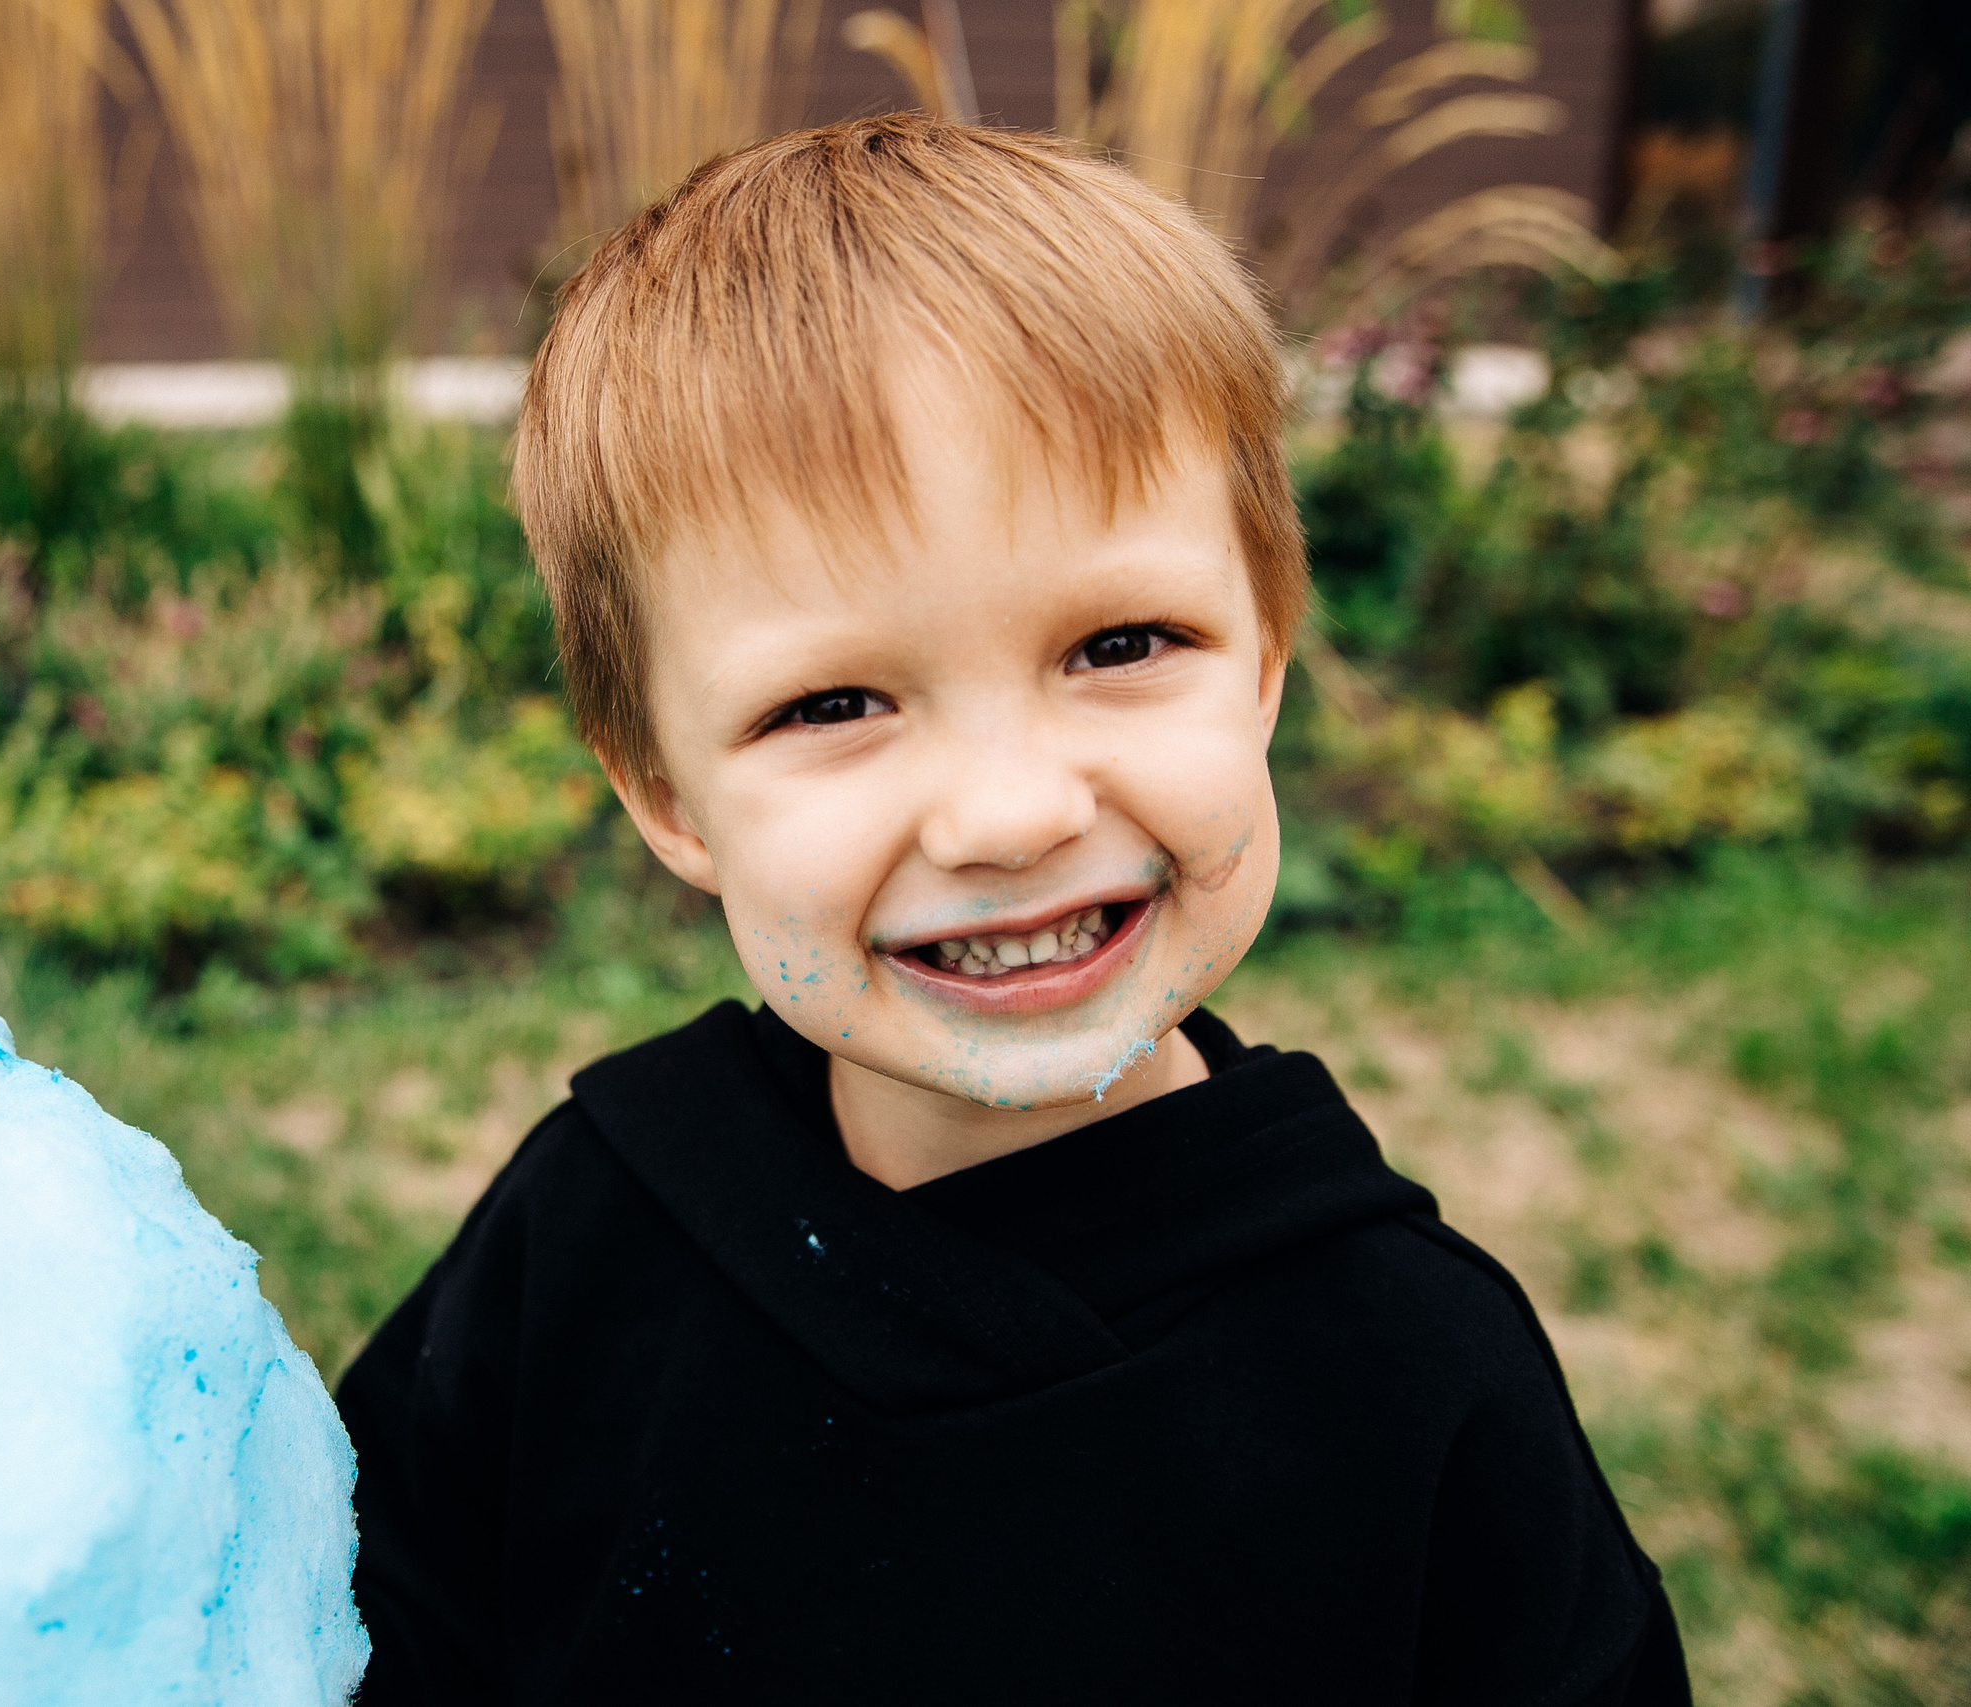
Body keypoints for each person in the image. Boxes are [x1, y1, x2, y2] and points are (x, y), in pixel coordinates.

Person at [335, 113, 1691, 1705]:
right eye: (835, 702)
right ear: (669, 800)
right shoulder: (595, 1222)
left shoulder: (1407, 1373)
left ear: (1265, 663)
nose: (1009, 815)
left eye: (1119, 646)